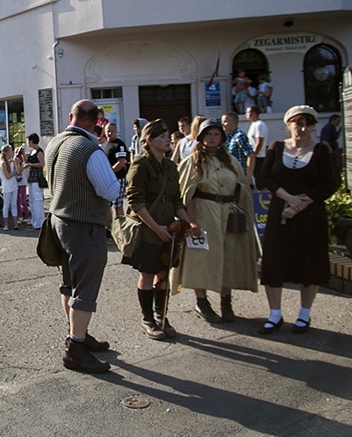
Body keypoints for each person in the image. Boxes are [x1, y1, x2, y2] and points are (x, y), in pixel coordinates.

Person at [46, 99, 120, 373]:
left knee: (69, 284)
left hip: (58, 220)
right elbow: (110, 191)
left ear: (72, 116)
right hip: (83, 224)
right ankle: (76, 348)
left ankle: (77, 333)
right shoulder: (91, 150)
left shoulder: (55, 142)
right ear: (98, 121)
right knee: (85, 289)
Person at [259, 105, 336, 335]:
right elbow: (266, 178)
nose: (302, 129)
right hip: (280, 212)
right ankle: (275, 314)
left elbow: (329, 184)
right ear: (288, 125)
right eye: (297, 123)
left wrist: (302, 203)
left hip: (310, 215)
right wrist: (290, 199)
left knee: (308, 261)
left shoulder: (321, 151)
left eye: (307, 125)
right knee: (274, 260)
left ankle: (304, 314)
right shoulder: (276, 147)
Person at [174, 118, 259, 323]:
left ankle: (226, 301)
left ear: (221, 137)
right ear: (201, 137)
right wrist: (191, 222)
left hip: (229, 214)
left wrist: (243, 212)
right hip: (204, 213)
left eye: (216, 134)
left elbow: (242, 188)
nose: (212, 138)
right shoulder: (192, 161)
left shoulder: (230, 160)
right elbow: (186, 195)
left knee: (228, 257)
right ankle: (201, 301)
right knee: (202, 258)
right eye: (208, 134)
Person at [122, 120, 191, 340]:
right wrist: (156, 228)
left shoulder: (171, 166)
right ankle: (148, 318)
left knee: (164, 274)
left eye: (168, 135)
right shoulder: (140, 165)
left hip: (169, 228)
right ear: (149, 140)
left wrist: (187, 222)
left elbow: (176, 199)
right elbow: (135, 201)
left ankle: (161, 316)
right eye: (162, 136)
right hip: (148, 229)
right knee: (148, 274)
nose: (168, 139)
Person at [103, 122, 129, 217]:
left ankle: (121, 226)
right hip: (108, 180)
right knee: (107, 205)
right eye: (108, 131)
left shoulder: (119, 145)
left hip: (118, 178)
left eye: (112, 131)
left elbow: (121, 163)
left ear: (116, 131)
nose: (109, 133)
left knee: (117, 205)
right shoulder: (106, 145)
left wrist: (110, 172)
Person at [24, 132, 46, 230]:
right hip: (31, 177)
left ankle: (40, 221)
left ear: (32, 141)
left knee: (37, 200)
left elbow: (42, 164)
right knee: (32, 200)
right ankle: (34, 220)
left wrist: (30, 165)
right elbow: (28, 162)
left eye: (28, 140)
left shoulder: (39, 151)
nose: (27, 142)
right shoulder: (32, 151)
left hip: (37, 177)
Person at [0, 144, 19, 230]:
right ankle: (6, 225)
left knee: (14, 204)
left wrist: (14, 163)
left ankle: (15, 224)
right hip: (7, 186)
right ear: (6, 152)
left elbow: (17, 171)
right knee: (6, 205)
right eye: (10, 150)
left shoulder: (10, 162)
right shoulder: (2, 163)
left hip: (14, 185)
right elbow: (7, 176)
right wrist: (14, 173)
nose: (12, 152)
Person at [246, 105, 268, 190]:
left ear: (254, 113)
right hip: (254, 157)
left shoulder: (259, 125)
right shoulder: (254, 124)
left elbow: (259, 141)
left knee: (259, 180)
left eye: (248, 112)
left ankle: (262, 198)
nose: (246, 114)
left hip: (259, 157)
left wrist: (254, 155)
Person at [14, 145, 30, 224]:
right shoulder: (15, 160)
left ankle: (27, 216)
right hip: (16, 182)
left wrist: (24, 154)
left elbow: (26, 164)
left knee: (23, 200)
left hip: (22, 181)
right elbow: (18, 170)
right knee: (17, 200)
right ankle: (20, 216)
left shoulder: (23, 160)